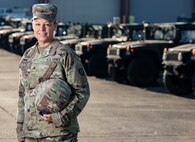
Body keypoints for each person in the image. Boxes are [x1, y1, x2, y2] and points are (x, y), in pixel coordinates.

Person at [16, 3, 90, 142]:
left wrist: (60, 117)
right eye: (37, 24)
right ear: (32, 24)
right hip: (31, 134)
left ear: (55, 25)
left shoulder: (64, 54)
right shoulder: (28, 55)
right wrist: (20, 129)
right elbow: (22, 96)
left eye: (47, 24)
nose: (42, 29)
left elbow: (82, 92)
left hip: (58, 135)